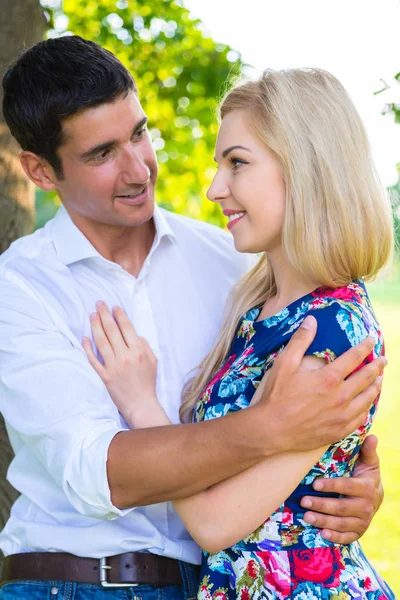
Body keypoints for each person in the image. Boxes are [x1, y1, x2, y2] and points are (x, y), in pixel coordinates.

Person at [0, 36, 386, 600]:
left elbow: (312, 450)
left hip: (214, 580)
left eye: (138, 134)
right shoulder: (21, 286)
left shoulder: (236, 264)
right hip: (77, 582)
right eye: (102, 154)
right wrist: (272, 428)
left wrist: (342, 488)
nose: (138, 170)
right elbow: (100, 472)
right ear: (39, 171)